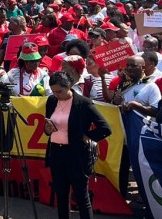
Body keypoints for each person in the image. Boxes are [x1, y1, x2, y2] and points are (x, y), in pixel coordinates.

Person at [44, 71, 112, 219]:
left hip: (76, 155)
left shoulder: (83, 103)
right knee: (61, 195)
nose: (57, 95)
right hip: (56, 152)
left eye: (59, 91)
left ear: (69, 86)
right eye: (54, 91)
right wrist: (47, 130)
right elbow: (47, 126)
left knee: (81, 196)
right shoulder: (51, 100)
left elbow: (105, 129)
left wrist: (87, 135)